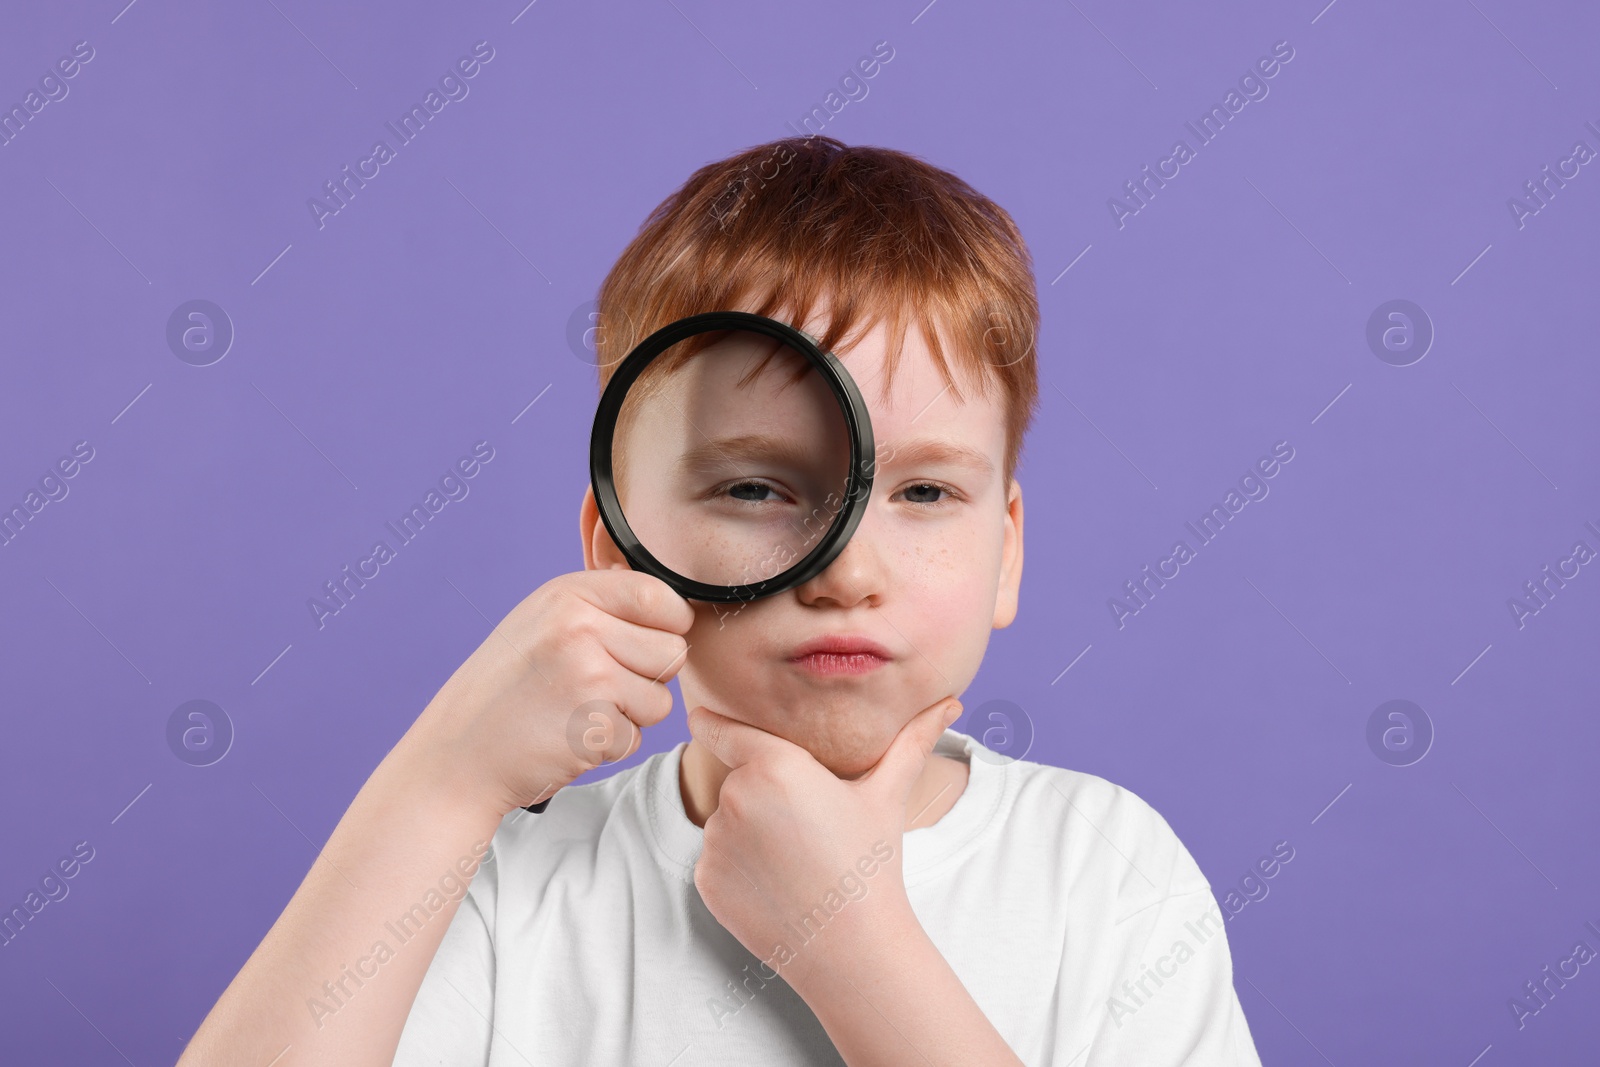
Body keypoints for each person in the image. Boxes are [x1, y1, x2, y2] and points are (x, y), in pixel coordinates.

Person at [178, 135, 1262, 1066]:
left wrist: (854, 944)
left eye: (924, 490)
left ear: (1006, 552)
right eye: (755, 487)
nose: (846, 570)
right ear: (620, 548)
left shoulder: (1105, 870)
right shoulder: (512, 883)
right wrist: (442, 780)